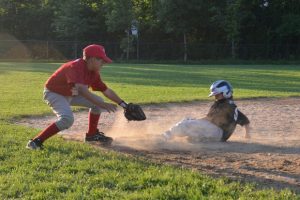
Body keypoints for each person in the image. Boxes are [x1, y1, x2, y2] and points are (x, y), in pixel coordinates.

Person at [26, 44, 130, 150]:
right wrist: (102, 104)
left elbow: (106, 90)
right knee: (67, 119)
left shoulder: (93, 73)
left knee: (98, 102)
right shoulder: (76, 66)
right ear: (92, 59)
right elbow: (81, 89)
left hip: (71, 94)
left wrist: (124, 104)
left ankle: (91, 135)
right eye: (101, 60)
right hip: (54, 93)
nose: (103, 63)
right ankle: (35, 142)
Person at [163, 80, 251, 143]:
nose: (215, 97)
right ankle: (197, 138)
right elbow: (246, 122)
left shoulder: (226, 106)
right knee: (189, 121)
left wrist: (193, 121)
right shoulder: (229, 104)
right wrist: (247, 135)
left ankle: (167, 135)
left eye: (217, 95)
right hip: (218, 134)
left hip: (217, 133)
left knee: (188, 123)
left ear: (226, 92)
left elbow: (208, 119)